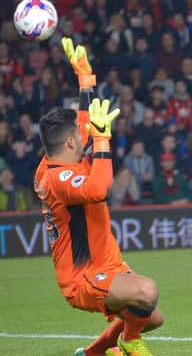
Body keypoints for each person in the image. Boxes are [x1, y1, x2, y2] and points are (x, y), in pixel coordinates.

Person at [34, 38, 163, 356]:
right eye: (81, 136)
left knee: (152, 317)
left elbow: (83, 119)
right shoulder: (55, 178)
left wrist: (85, 79)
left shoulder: (59, 159)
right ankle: (129, 343)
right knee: (146, 291)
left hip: (108, 262)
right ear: (68, 144)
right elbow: (97, 189)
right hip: (82, 276)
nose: (86, 134)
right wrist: (103, 138)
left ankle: (92, 354)